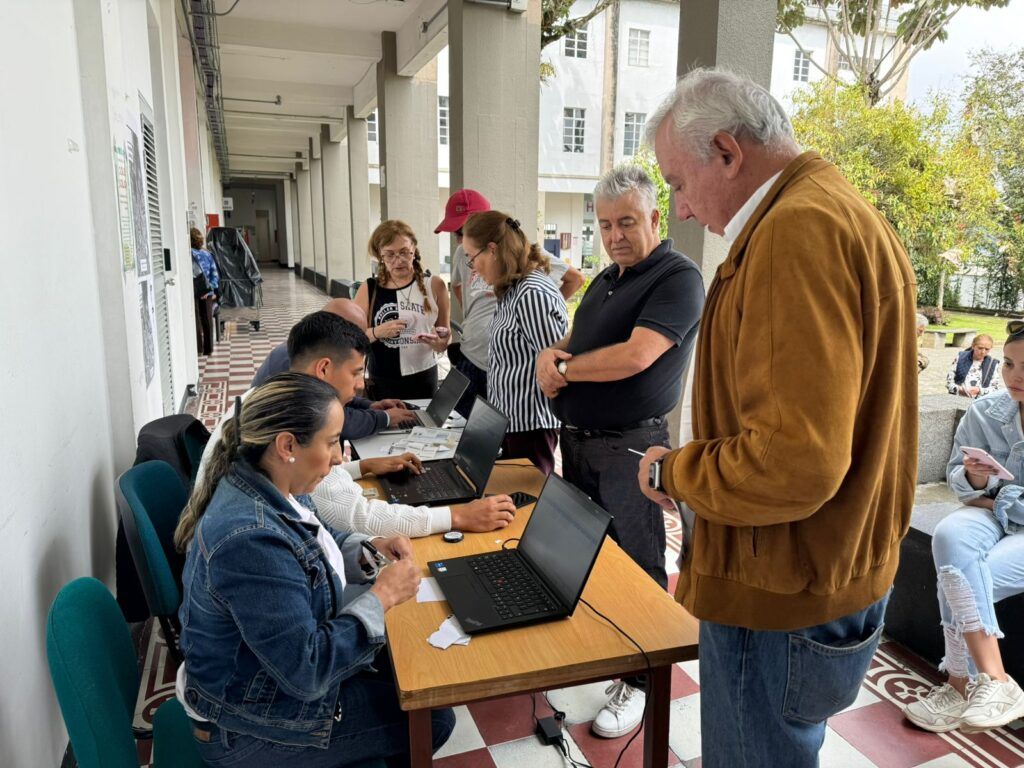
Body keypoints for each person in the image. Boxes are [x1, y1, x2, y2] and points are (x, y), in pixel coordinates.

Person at [636, 68, 916, 767]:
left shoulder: (796, 231)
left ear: (728, 153)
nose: (683, 211)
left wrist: (676, 471)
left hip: (782, 589)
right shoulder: (833, 208)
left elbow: (794, 461)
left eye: (677, 181)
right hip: (818, 573)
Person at [174, 372, 455, 765]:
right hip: (246, 727)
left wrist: (368, 549)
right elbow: (306, 670)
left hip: (260, 685)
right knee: (433, 717)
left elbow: (315, 540)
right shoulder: (249, 539)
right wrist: (383, 596)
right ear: (287, 445)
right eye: (331, 442)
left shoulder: (268, 482)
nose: (340, 457)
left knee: (405, 668)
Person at [535, 164, 704, 738]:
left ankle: (644, 684)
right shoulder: (610, 278)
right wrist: (549, 356)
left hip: (631, 447)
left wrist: (565, 371)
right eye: (605, 225)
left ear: (656, 217)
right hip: (580, 443)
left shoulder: (676, 277)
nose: (615, 236)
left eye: (627, 222)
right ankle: (613, 657)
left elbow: (637, 356)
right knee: (592, 556)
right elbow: (578, 339)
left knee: (639, 566)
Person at [198, 310, 517, 536]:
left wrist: (364, 467)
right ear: (323, 369)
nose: (361, 385)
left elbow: (326, 486)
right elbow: (357, 514)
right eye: (355, 373)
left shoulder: (271, 397)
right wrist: (458, 516)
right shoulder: (297, 421)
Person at [903, 322, 1024, 734]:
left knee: (969, 579)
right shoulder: (986, 410)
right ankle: (998, 681)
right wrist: (975, 481)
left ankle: (958, 683)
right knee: (950, 535)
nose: (1014, 377)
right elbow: (957, 476)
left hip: (1003, 515)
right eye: (1008, 364)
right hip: (989, 513)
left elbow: (996, 498)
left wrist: (994, 495)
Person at [438, 189, 585, 418]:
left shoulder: (529, 285)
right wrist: (474, 320)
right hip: (472, 358)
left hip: (518, 396)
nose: (460, 239)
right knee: (465, 437)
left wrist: (528, 314)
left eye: (463, 231)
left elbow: (574, 280)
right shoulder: (464, 255)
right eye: (457, 234)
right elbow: (458, 286)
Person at [461, 211, 568, 475]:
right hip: (511, 424)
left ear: (493, 249)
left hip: (530, 427)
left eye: (472, 258)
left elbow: (556, 364)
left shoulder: (531, 293)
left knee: (526, 504)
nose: (472, 268)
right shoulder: (513, 289)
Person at [251, 300, 417, 437]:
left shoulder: (309, 348)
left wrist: (369, 406)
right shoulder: (297, 361)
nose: (360, 385)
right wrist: (384, 418)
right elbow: (333, 420)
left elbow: (334, 398)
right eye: (351, 334)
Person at [355, 221, 450, 400]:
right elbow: (351, 338)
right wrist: (378, 331)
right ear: (380, 255)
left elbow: (445, 335)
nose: (398, 260)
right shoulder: (369, 289)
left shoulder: (435, 285)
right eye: (390, 254)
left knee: (423, 425)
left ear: (413, 249)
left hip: (424, 377)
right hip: (382, 380)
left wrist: (439, 343)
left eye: (404, 252)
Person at [190, 227, 219, 356]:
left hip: (193, 291)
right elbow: (215, 274)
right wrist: (211, 290)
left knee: (196, 320)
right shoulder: (208, 254)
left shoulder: (188, 254)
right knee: (207, 320)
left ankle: (199, 349)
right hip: (207, 291)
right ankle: (209, 349)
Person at [947, 333, 1001, 398]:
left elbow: (995, 389)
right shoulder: (961, 357)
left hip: (980, 402)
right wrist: (959, 390)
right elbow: (949, 382)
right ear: (973, 346)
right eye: (980, 348)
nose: (983, 352)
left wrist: (979, 391)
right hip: (958, 398)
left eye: (987, 349)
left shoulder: (993, 364)